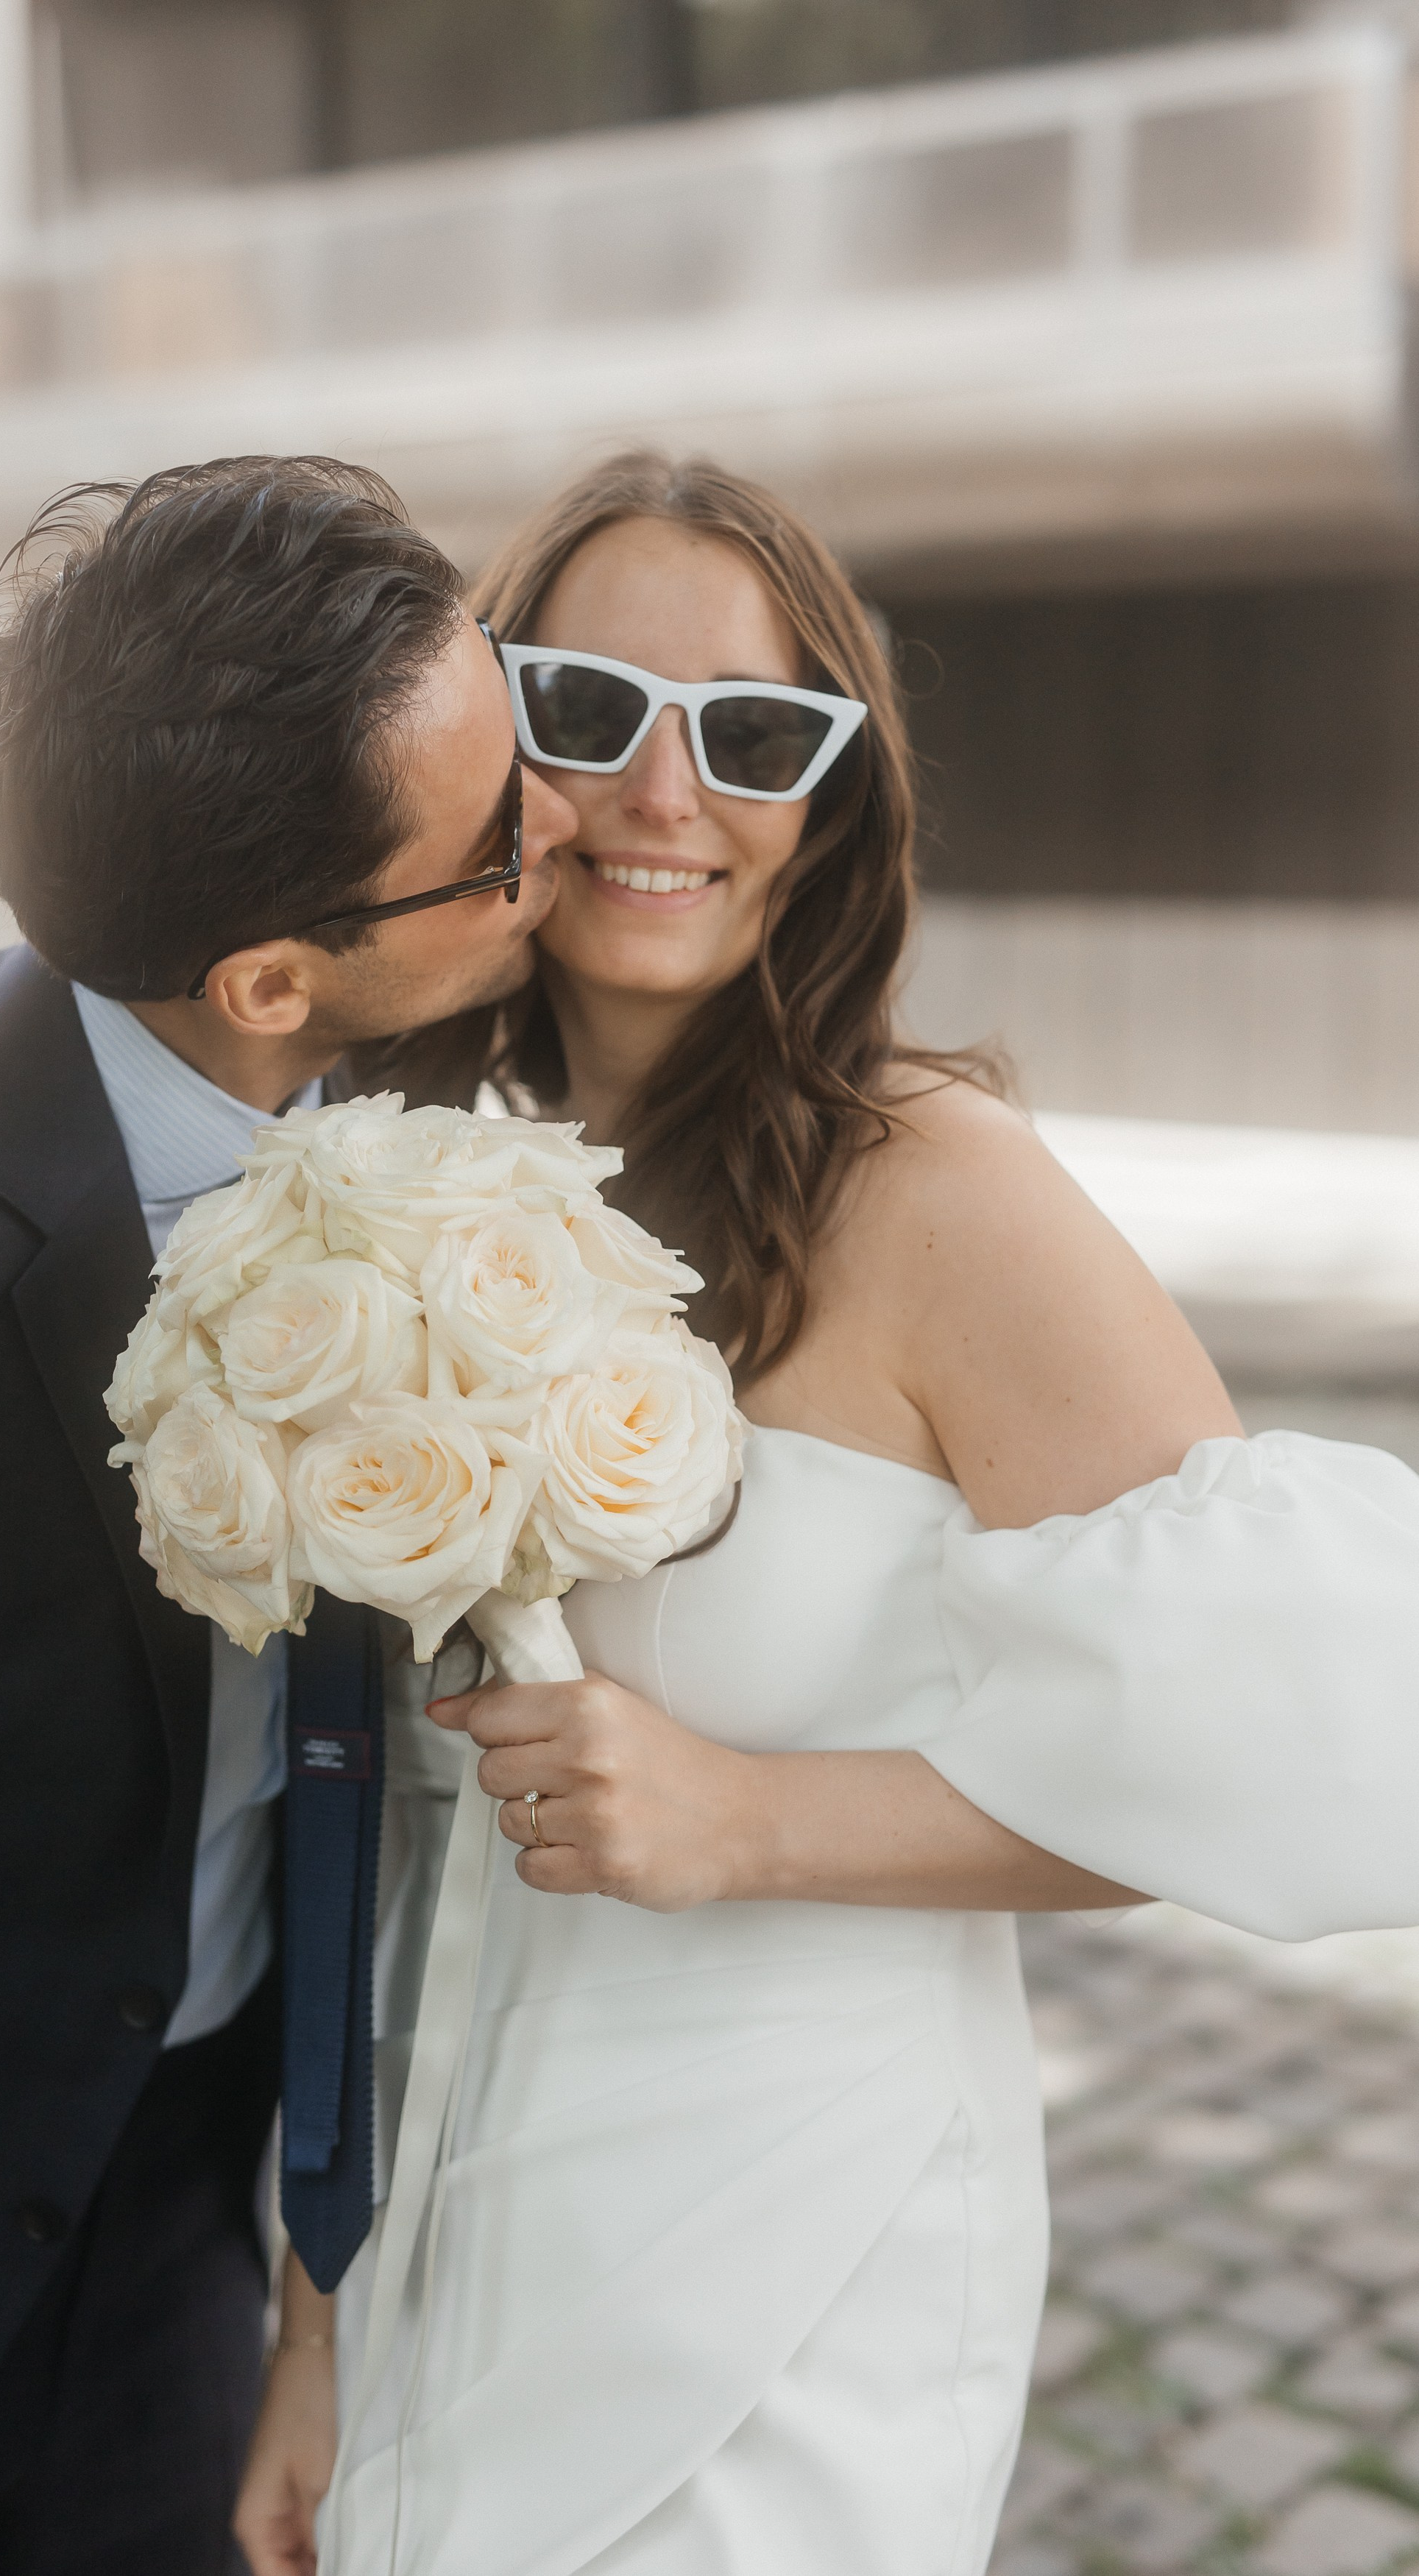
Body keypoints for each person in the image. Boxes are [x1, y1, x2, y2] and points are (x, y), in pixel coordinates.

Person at [235, 453, 1419, 2576]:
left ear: (831, 802)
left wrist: (749, 1818)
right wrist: (317, 2317)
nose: (666, 793)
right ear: (499, 743)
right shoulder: (407, 1177)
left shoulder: (933, 1187)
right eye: (589, 710)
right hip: (440, 2214)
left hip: (786, 2248)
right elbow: (377, 1832)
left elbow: (1310, 1739)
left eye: (758, 734)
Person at [0, 455, 584, 2576]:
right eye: (498, 840)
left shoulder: (413, 1072)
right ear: (275, 978)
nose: (564, 826)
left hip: (188, 2212)